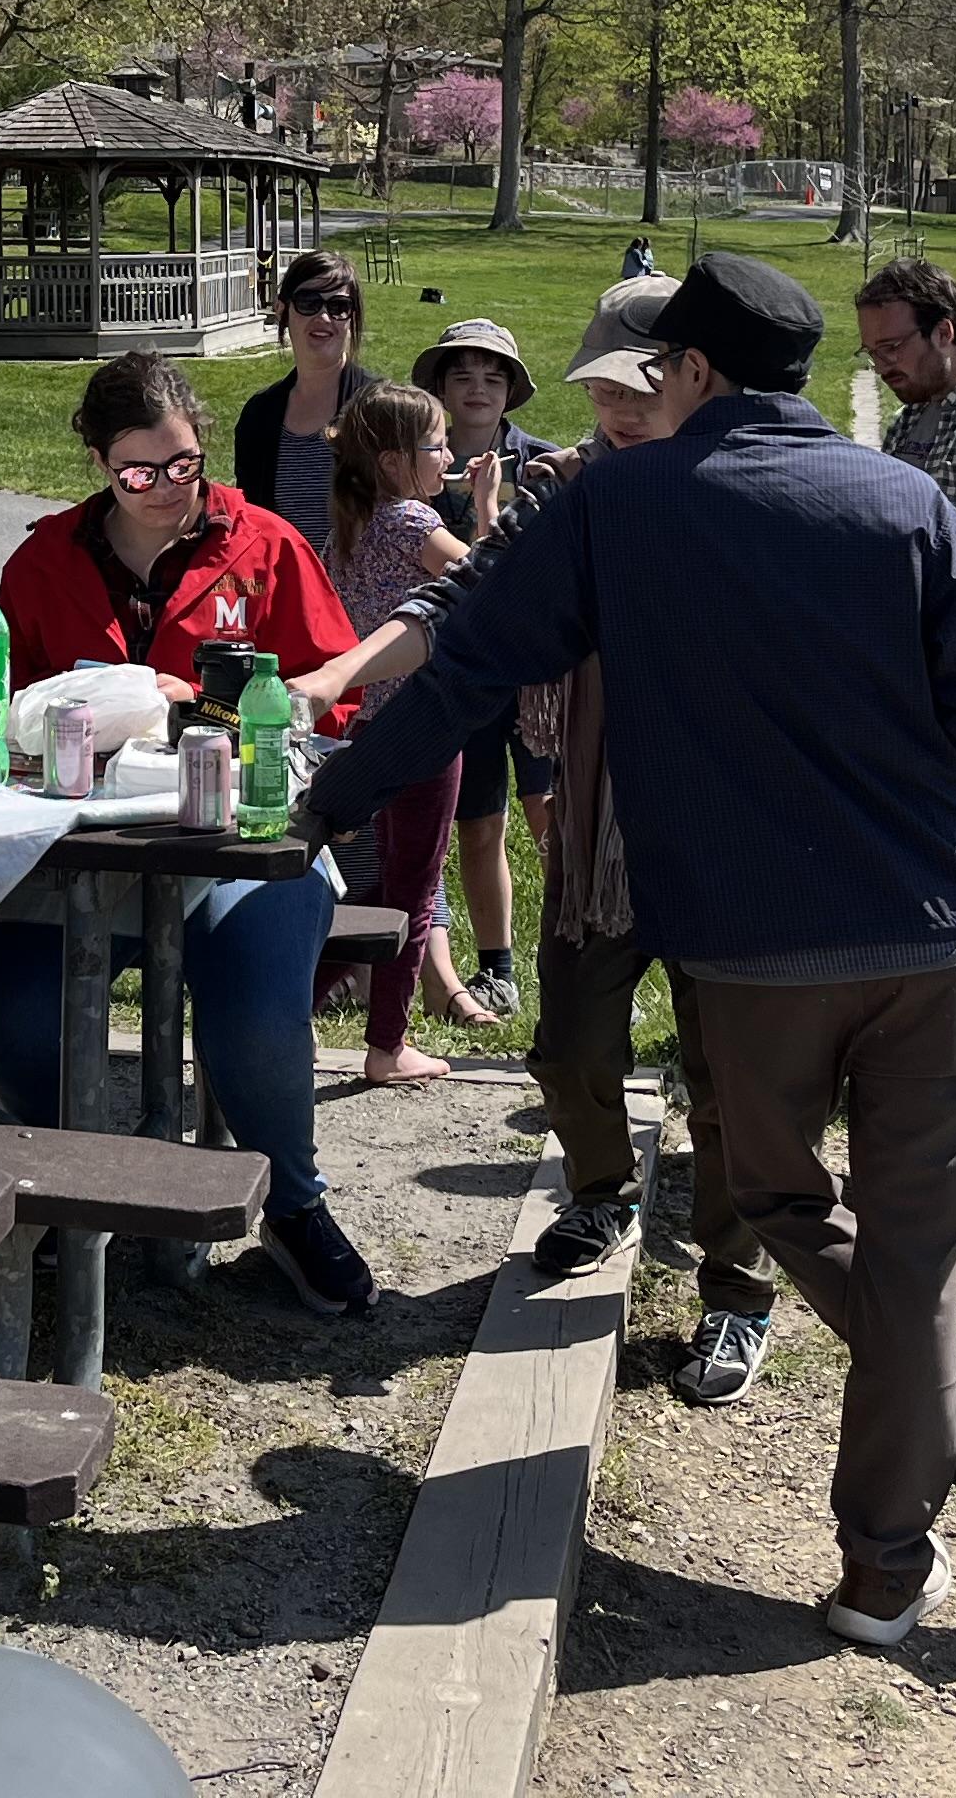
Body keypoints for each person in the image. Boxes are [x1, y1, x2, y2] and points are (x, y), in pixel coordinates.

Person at [299, 252, 956, 1647]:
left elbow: (473, 667)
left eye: (664, 366)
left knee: (793, 1209)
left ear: (698, 372)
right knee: (911, 1260)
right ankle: (892, 1554)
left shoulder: (620, 503)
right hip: (944, 936)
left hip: (758, 945)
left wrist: (327, 799)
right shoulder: (905, 498)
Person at [296, 276, 785, 1408]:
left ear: (695, 386)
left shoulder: (747, 498)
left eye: (640, 387)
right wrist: (338, 671)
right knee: (568, 1045)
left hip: (724, 841)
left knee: (729, 1082)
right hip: (596, 829)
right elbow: (458, 606)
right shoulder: (566, 492)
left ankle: (734, 1293)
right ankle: (603, 1194)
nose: (616, 409)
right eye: (603, 388)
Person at [0, 349, 380, 1314]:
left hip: (245, 839)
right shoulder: (46, 559)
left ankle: (292, 1204)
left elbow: (337, 704)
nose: (164, 490)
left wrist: (201, 707)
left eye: (184, 464)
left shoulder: (266, 545)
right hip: (88, 850)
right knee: (8, 1014)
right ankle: (81, 1175)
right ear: (102, 465)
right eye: (138, 473)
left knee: (251, 1011)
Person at [321, 381, 479, 1079]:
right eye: (436, 444)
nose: (448, 454)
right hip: (424, 724)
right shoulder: (413, 520)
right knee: (412, 889)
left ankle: (295, 1001)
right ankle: (388, 1045)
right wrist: (489, 507)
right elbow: (487, 583)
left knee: (380, 887)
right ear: (393, 461)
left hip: (368, 725)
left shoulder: (352, 524)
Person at [407, 316, 553, 1020]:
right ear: (438, 388)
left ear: (512, 393)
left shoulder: (544, 464)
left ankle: (581, 958)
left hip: (534, 669)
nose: (477, 389)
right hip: (455, 668)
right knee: (478, 819)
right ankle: (498, 965)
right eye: (462, 376)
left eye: (494, 378)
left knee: (552, 816)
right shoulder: (414, 474)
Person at [858, 255, 956, 520]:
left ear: (943, 333)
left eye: (891, 349)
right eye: (873, 353)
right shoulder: (905, 421)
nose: (881, 367)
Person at [231, 247, 369, 538]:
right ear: (282, 309)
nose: (324, 317)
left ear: (351, 317)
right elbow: (250, 517)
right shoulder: (259, 414)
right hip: (284, 581)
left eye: (339, 306)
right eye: (308, 302)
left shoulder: (376, 406)